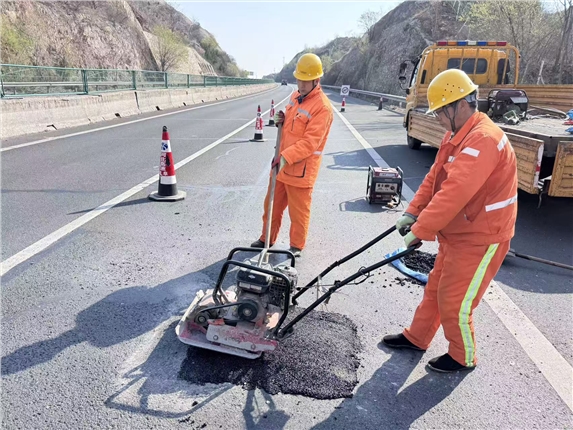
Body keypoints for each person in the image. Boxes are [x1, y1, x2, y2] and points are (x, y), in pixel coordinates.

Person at [383, 69, 518, 372]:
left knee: (455, 301)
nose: (438, 119)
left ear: (460, 105)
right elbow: (436, 179)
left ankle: (462, 356)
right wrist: (412, 212)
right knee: (435, 289)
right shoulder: (457, 134)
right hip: (459, 232)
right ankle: (417, 337)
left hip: (482, 236)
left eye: (441, 112)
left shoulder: (483, 139)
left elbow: (454, 193)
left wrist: (420, 230)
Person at [250, 53, 333, 258]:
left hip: (300, 171)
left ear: (316, 80)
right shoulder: (295, 97)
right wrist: (283, 118)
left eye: (305, 81)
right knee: (271, 206)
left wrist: (286, 157)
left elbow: (310, 142)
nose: (301, 85)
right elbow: (292, 124)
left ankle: (296, 247)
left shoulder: (322, 108)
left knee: (298, 213)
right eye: (299, 80)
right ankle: (266, 238)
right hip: (281, 165)